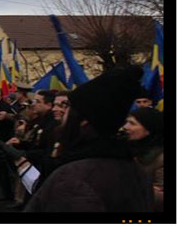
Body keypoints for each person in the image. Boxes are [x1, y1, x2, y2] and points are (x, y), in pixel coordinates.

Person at [24, 66, 153, 212]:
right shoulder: (136, 170)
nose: (61, 113)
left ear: (83, 122)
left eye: (68, 109)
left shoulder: (72, 179)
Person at [123, 107, 163, 212]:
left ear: (148, 129)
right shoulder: (124, 149)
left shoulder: (160, 158)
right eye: (126, 122)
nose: (125, 127)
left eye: (132, 123)